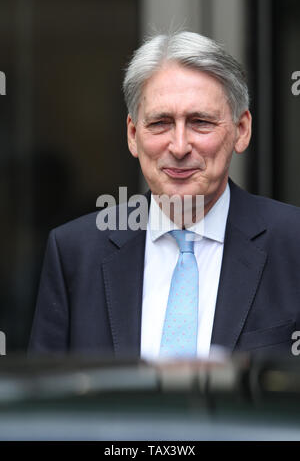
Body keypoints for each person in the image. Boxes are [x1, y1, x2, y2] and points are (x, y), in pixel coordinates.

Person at [29, 31, 300, 359]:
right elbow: (51, 403)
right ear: (132, 135)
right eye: (160, 123)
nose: (180, 146)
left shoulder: (293, 243)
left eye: (200, 122)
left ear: (241, 130)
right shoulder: (75, 253)